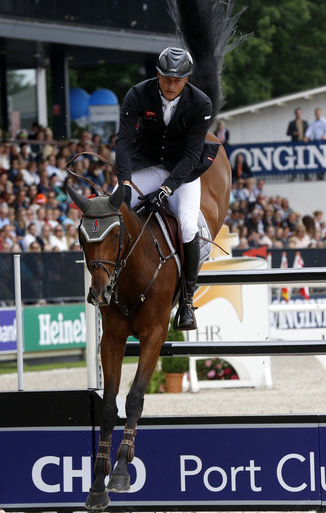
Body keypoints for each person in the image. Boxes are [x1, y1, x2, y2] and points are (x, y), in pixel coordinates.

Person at [115, 46, 217, 330]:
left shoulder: (201, 104)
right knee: (115, 211)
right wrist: (124, 180)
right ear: (157, 74)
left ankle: (186, 302)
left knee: (186, 225)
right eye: (166, 78)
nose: (171, 85)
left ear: (187, 80)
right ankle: (110, 286)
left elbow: (191, 156)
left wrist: (166, 189)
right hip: (144, 165)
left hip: (181, 171)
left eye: (177, 80)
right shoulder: (137, 93)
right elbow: (123, 141)